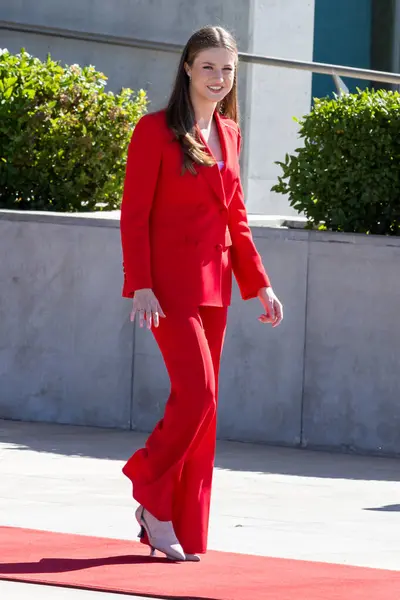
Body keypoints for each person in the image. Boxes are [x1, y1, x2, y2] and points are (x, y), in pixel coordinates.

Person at [120, 25, 283, 563]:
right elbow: (135, 215)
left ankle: (181, 523)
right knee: (198, 396)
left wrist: (258, 283)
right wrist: (140, 284)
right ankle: (149, 488)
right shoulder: (154, 131)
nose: (218, 78)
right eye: (208, 66)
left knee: (205, 410)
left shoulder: (230, 134)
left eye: (227, 69)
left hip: (214, 285)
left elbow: (235, 216)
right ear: (187, 67)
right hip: (167, 287)